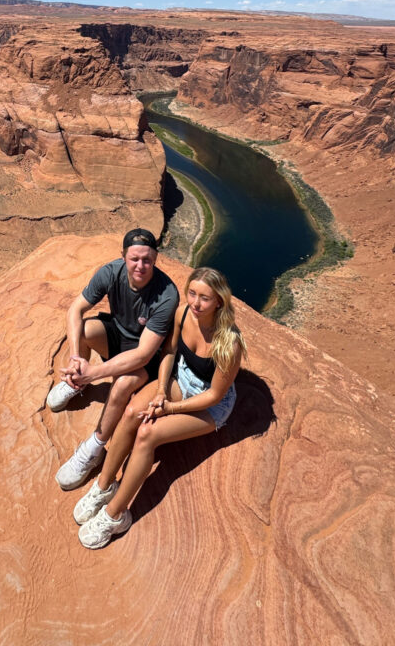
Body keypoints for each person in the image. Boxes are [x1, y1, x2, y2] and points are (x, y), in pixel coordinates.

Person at [73, 266, 246, 549]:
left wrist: (171, 409)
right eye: (192, 293)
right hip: (180, 379)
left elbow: (215, 394)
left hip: (209, 404)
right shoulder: (183, 313)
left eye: (205, 298)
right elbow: (168, 352)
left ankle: (115, 514)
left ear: (219, 301)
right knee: (131, 413)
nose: (196, 303)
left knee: (147, 435)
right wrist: (162, 391)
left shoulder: (229, 342)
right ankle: (104, 486)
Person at [46, 228, 180, 491]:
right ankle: (77, 382)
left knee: (120, 385)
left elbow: (143, 354)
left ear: (155, 259)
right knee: (85, 330)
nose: (140, 265)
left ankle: (95, 448)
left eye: (147, 260)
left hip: (146, 357)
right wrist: (76, 359)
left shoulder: (166, 295)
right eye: (134, 259)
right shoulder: (110, 272)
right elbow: (76, 309)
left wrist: (94, 372)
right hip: (118, 336)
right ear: (123, 256)